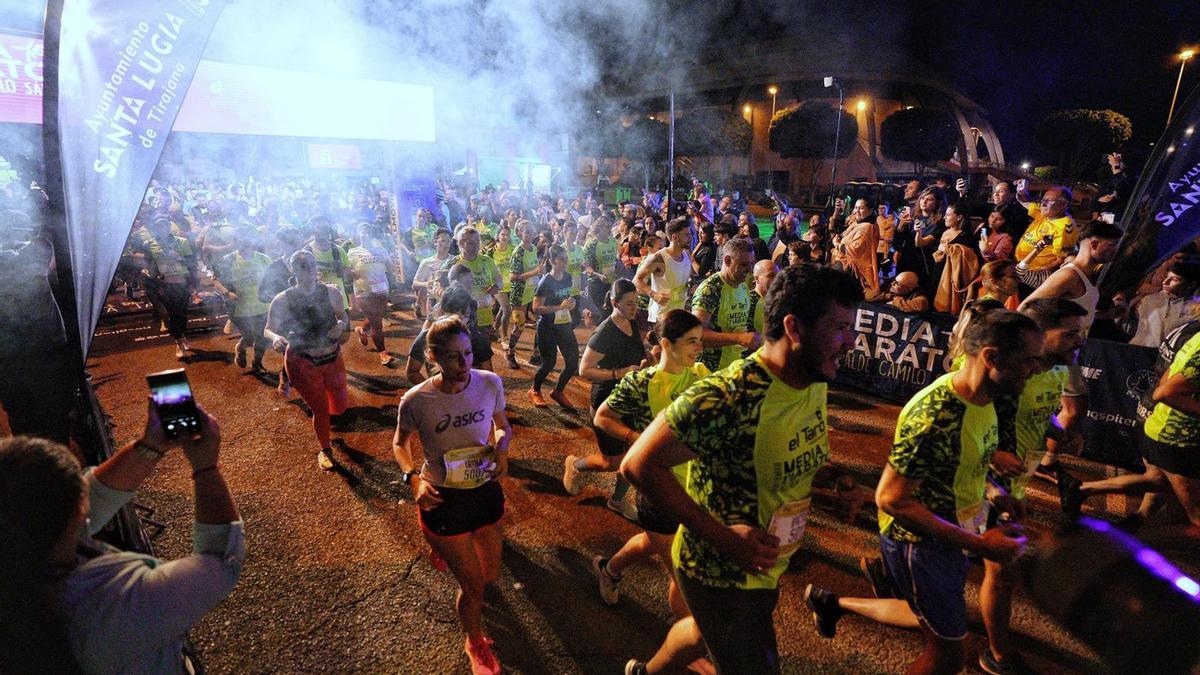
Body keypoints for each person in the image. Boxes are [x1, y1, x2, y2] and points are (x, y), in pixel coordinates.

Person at [620, 265, 863, 675]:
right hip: (721, 570)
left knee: (700, 633)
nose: (851, 342)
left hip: (766, 560)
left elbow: (788, 447)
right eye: (840, 328)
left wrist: (834, 480)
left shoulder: (812, 379)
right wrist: (724, 539)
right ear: (794, 328)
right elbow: (639, 464)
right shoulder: (731, 395)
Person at [0, 402, 242, 673]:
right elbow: (222, 561)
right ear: (79, 510)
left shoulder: (24, 549)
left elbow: (98, 492)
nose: (89, 480)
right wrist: (206, 468)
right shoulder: (119, 602)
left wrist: (150, 446)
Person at [871, 309, 1039, 674]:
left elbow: (969, 462)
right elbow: (891, 499)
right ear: (992, 357)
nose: (1036, 369)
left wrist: (997, 495)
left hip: (954, 535)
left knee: (941, 634)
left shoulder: (983, 399)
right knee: (947, 656)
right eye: (1028, 361)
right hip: (919, 546)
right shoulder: (937, 414)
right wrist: (980, 545)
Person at [392, 315, 512, 675]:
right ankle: (474, 641)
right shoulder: (417, 400)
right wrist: (413, 479)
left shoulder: (490, 383)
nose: (464, 365)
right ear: (434, 359)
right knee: (474, 586)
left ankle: (444, 551)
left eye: (468, 354)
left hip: (484, 489)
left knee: (490, 575)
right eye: (453, 358)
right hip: (441, 498)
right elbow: (400, 443)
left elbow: (501, 425)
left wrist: (502, 448)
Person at [584, 310, 708, 611]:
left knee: (655, 541)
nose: (699, 348)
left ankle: (610, 569)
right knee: (683, 575)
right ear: (666, 344)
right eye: (691, 341)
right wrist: (635, 439)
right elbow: (603, 417)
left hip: (695, 484)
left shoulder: (702, 374)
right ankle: (685, 653)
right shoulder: (641, 383)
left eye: (700, 341)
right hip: (657, 488)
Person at [264, 250, 351, 471]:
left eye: (311, 264)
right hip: (302, 360)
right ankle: (325, 449)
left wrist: (341, 325)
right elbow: (268, 329)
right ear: (293, 270)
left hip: (332, 356)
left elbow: (343, 315)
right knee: (320, 409)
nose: (309, 269)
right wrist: (276, 338)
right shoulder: (283, 299)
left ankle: (322, 423)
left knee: (340, 406)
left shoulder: (331, 292)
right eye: (303, 266)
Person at [573, 279, 650, 520]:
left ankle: (617, 500)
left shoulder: (635, 320)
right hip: (607, 401)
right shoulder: (605, 331)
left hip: (632, 397)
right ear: (614, 303)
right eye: (628, 304)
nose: (633, 307)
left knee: (635, 453)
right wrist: (620, 372)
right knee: (612, 461)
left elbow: (639, 348)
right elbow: (584, 369)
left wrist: (649, 356)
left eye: (635, 302)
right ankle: (575, 465)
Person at [0, 208, 78, 444]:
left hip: (9, 356)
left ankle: (35, 463)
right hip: (48, 349)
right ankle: (58, 461)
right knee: (57, 417)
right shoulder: (35, 251)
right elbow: (44, 240)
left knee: (22, 418)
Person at [132, 214, 199, 359]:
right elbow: (149, 263)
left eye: (165, 225)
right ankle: (179, 343)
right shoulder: (148, 244)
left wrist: (194, 283)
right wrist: (149, 273)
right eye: (159, 225)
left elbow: (191, 263)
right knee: (173, 314)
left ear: (169, 226)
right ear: (155, 228)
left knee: (182, 314)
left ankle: (182, 335)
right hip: (164, 284)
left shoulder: (182, 242)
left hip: (181, 283)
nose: (162, 228)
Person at [690, 237, 760, 372]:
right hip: (710, 370)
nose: (750, 270)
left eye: (752, 264)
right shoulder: (710, 289)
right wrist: (738, 338)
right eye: (744, 265)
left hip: (733, 367)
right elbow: (696, 334)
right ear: (727, 261)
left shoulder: (743, 287)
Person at [213, 227, 273, 372]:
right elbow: (215, 281)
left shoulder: (264, 259)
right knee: (249, 336)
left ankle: (257, 363)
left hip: (262, 306)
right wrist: (227, 293)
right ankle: (240, 348)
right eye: (240, 239)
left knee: (262, 337)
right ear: (235, 241)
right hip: (239, 307)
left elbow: (272, 280)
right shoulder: (228, 260)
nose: (244, 242)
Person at [528, 246, 579, 409]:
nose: (565, 262)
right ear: (551, 261)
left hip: (564, 325)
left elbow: (566, 298)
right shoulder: (546, 281)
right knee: (549, 363)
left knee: (572, 362)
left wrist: (571, 304)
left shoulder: (568, 277)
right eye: (561, 259)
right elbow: (536, 307)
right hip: (547, 327)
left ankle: (558, 391)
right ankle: (534, 390)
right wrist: (559, 307)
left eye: (566, 258)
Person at [348, 223, 397, 366]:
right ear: (358, 234)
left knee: (376, 317)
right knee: (377, 324)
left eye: (368, 230)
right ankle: (383, 353)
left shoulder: (381, 250)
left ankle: (362, 330)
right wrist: (350, 274)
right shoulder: (352, 252)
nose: (365, 232)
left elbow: (390, 268)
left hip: (381, 289)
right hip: (364, 292)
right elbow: (346, 270)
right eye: (362, 230)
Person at [1012, 183, 1077, 290]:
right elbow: (1025, 202)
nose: (1043, 204)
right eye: (1043, 200)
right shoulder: (1047, 214)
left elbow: (1060, 260)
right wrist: (1022, 191)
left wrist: (1034, 272)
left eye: (1049, 201)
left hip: (1032, 276)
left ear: (1064, 205)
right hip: (1021, 267)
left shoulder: (1064, 227)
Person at [443, 226, 502, 341]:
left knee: (483, 351)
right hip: (461, 318)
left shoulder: (487, 260)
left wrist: (496, 287)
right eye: (470, 242)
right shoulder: (452, 263)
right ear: (460, 243)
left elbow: (499, 280)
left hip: (485, 317)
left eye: (477, 242)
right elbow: (439, 286)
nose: (475, 245)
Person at [1127, 259, 1200, 347]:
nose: (1165, 282)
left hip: (1164, 359)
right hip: (1134, 353)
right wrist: (1123, 314)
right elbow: (1133, 329)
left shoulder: (1195, 310)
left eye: (1174, 279)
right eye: (1166, 277)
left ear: (1191, 284)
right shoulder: (1149, 300)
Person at [506, 220, 545, 368]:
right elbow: (513, 276)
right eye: (526, 232)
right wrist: (534, 272)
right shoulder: (519, 251)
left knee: (540, 323)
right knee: (520, 326)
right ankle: (510, 353)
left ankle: (536, 354)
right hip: (519, 294)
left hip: (533, 291)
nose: (529, 234)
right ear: (519, 234)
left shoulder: (533, 248)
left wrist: (539, 271)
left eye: (531, 231)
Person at [934, 202, 983, 315]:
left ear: (959, 217)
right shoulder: (945, 232)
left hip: (953, 277)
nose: (945, 217)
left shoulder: (966, 237)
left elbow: (970, 260)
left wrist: (949, 249)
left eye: (948, 214)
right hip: (938, 274)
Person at [830, 197, 881, 296]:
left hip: (853, 272)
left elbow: (854, 250)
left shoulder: (867, 227)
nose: (856, 211)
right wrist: (837, 210)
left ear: (870, 210)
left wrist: (837, 244)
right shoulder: (858, 223)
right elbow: (838, 230)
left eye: (861, 208)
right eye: (856, 207)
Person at [583, 217, 620, 322]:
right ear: (599, 228)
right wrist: (599, 275)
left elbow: (614, 261)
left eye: (611, 226)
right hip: (596, 284)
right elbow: (587, 267)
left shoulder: (613, 241)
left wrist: (616, 271)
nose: (610, 229)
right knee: (604, 314)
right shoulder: (591, 245)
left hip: (611, 283)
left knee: (612, 312)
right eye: (607, 226)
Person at [413, 228, 453, 319]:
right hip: (433, 301)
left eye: (448, 241)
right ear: (435, 242)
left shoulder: (455, 261)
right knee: (433, 329)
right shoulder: (426, 262)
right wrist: (426, 284)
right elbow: (415, 283)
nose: (446, 244)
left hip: (451, 300)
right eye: (442, 241)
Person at [749, 259, 780, 335]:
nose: (776, 279)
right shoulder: (750, 301)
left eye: (778, 275)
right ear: (756, 278)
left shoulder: (778, 299)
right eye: (771, 275)